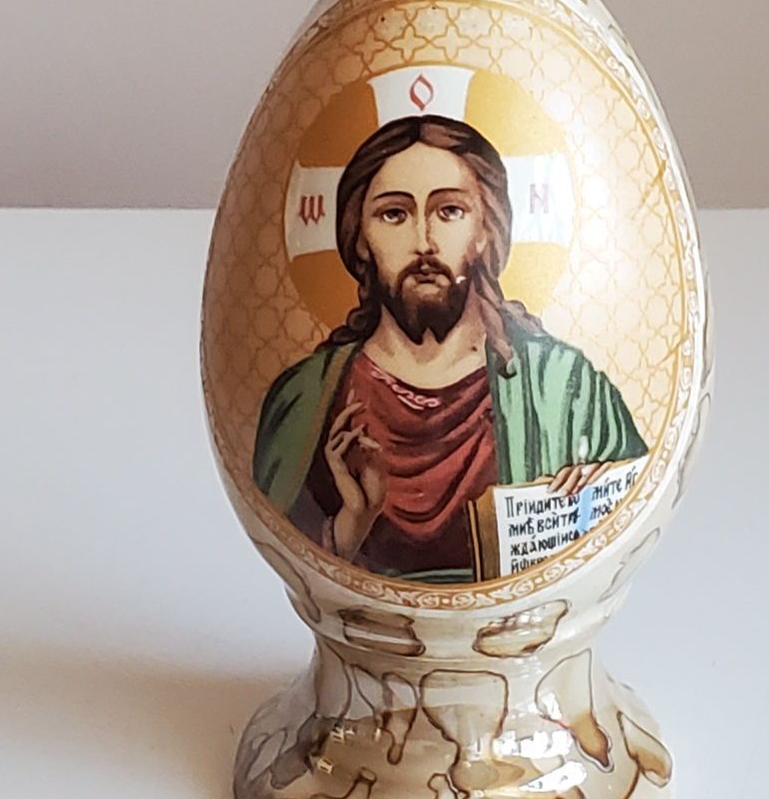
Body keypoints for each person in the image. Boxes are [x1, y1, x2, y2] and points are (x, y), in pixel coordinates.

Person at [253, 114, 646, 583]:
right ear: (360, 239)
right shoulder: (305, 399)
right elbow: (284, 534)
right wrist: (350, 523)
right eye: (394, 214)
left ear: (485, 230)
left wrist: (593, 494)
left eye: (449, 211)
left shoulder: (566, 390)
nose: (424, 243)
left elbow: (626, 505)